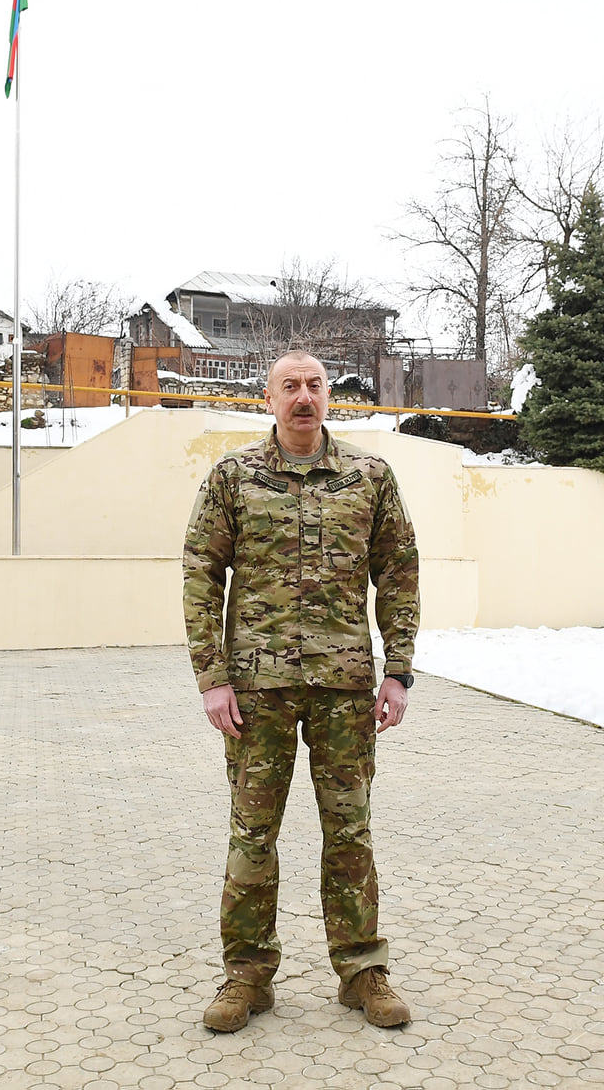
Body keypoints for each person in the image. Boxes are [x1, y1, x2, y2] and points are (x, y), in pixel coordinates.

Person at [181, 350, 419, 1034]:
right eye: (290, 386)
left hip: (344, 688)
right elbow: (200, 576)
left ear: (328, 396)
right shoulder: (233, 477)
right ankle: (246, 976)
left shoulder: (369, 477)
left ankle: (362, 970)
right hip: (258, 690)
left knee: (350, 831)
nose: (304, 397)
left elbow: (398, 572)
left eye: (315, 385)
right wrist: (212, 677)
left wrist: (398, 670)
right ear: (269, 398)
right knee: (253, 833)